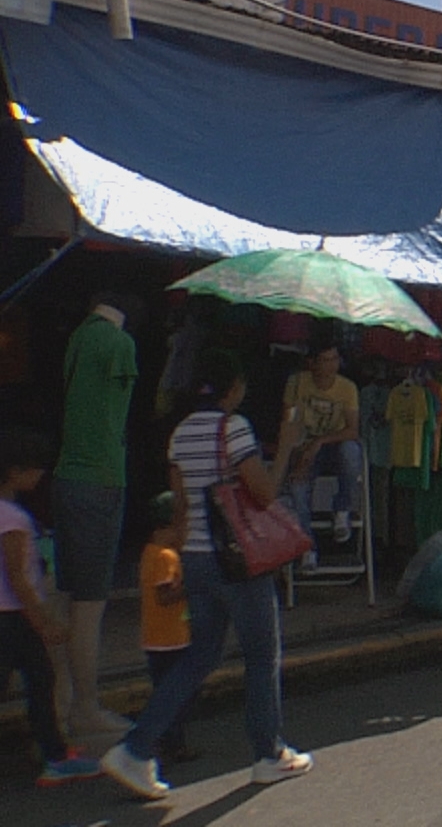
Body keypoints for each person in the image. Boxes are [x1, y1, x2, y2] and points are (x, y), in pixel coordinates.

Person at [103, 350, 312, 800]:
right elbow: (265, 493)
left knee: (198, 657)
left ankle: (136, 747)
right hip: (236, 561)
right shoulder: (234, 428)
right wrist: (287, 445)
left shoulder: (180, 434)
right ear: (233, 388)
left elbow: (180, 507)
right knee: (261, 656)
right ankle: (269, 753)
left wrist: (180, 560)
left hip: (196, 557)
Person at [52, 291, 140, 741]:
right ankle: (85, 707)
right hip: (100, 480)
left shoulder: (78, 338)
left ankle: (62, 703)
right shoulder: (118, 343)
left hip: (68, 478)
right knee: (89, 605)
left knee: (66, 598)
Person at [0, 427, 105, 787]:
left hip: (12, 617)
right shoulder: (13, 519)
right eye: (35, 468)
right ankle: (55, 756)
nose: (40, 475)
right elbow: (18, 578)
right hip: (13, 618)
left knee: (40, 680)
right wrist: (44, 621)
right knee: (41, 682)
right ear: (15, 471)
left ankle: (55, 753)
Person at [281, 341, 364, 568]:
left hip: (333, 446)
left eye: (335, 359)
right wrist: (299, 453)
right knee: (297, 488)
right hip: (304, 447)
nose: (332, 365)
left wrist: (319, 442)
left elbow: (352, 430)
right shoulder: (297, 383)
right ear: (312, 363)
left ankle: (342, 509)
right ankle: (308, 547)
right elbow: (288, 423)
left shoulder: (347, 388)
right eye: (326, 360)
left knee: (351, 450)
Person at [139, 493, 195, 763]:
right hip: (170, 638)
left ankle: (169, 742)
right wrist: (193, 585)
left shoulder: (149, 553)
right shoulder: (165, 557)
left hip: (157, 637)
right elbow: (164, 596)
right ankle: (171, 744)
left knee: (166, 691)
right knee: (175, 694)